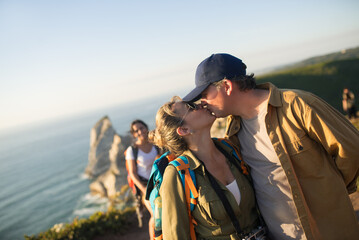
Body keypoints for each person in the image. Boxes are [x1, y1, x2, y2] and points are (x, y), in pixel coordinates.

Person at [182, 53, 359, 240]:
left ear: (226, 86)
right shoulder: (233, 130)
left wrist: (335, 189)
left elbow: (351, 148)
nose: (202, 102)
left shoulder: (298, 104)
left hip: (329, 231)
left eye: (204, 94)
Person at [149, 96, 266, 240]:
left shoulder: (231, 149)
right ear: (184, 129)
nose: (200, 105)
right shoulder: (177, 174)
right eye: (191, 108)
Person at [125, 119, 159, 239]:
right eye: (136, 130)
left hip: (160, 183)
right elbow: (133, 174)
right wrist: (144, 189)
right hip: (145, 186)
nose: (140, 131)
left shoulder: (156, 143)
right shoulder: (132, 150)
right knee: (155, 215)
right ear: (134, 134)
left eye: (141, 128)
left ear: (146, 127)